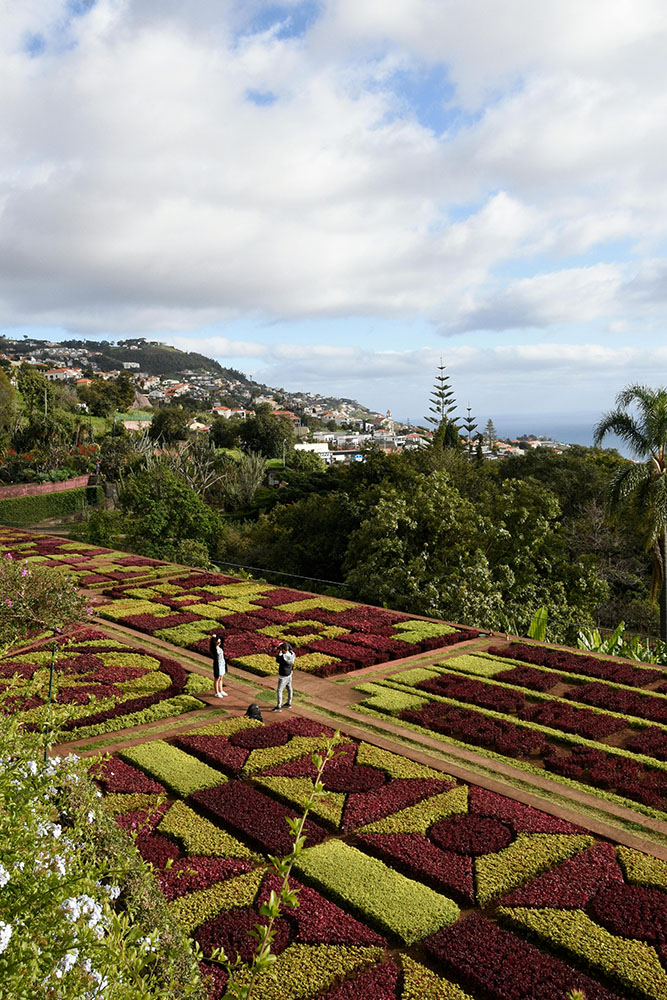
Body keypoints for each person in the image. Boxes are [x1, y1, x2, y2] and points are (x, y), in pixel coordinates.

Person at [272, 641, 295, 712]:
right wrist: (283, 646)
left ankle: (278, 707)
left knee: (279, 690)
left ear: (283, 650)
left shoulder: (283, 658)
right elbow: (289, 647)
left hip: (283, 676)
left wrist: (279, 652)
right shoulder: (292, 654)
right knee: (289, 688)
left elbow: (277, 659)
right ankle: (289, 703)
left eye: (281, 649)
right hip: (289, 674)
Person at [210, 633, 227, 697]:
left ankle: (221, 690)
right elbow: (213, 643)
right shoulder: (214, 649)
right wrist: (214, 637)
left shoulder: (220, 647)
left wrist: (217, 636)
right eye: (217, 643)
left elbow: (222, 637)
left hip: (222, 663)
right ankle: (217, 692)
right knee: (217, 678)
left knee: (221, 678)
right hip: (218, 664)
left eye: (219, 642)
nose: (219, 643)